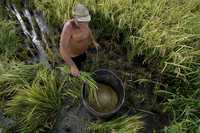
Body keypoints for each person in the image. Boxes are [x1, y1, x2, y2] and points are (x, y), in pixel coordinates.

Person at [59, 4, 99, 77]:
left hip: (82, 52)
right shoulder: (69, 27)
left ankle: (80, 66)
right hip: (74, 57)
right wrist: (72, 66)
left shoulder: (85, 22)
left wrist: (94, 41)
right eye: (81, 22)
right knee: (75, 71)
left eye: (85, 22)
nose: (84, 24)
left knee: (83, 60)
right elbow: (62, 49)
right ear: (74, 17)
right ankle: (73, 76)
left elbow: (89, 31)